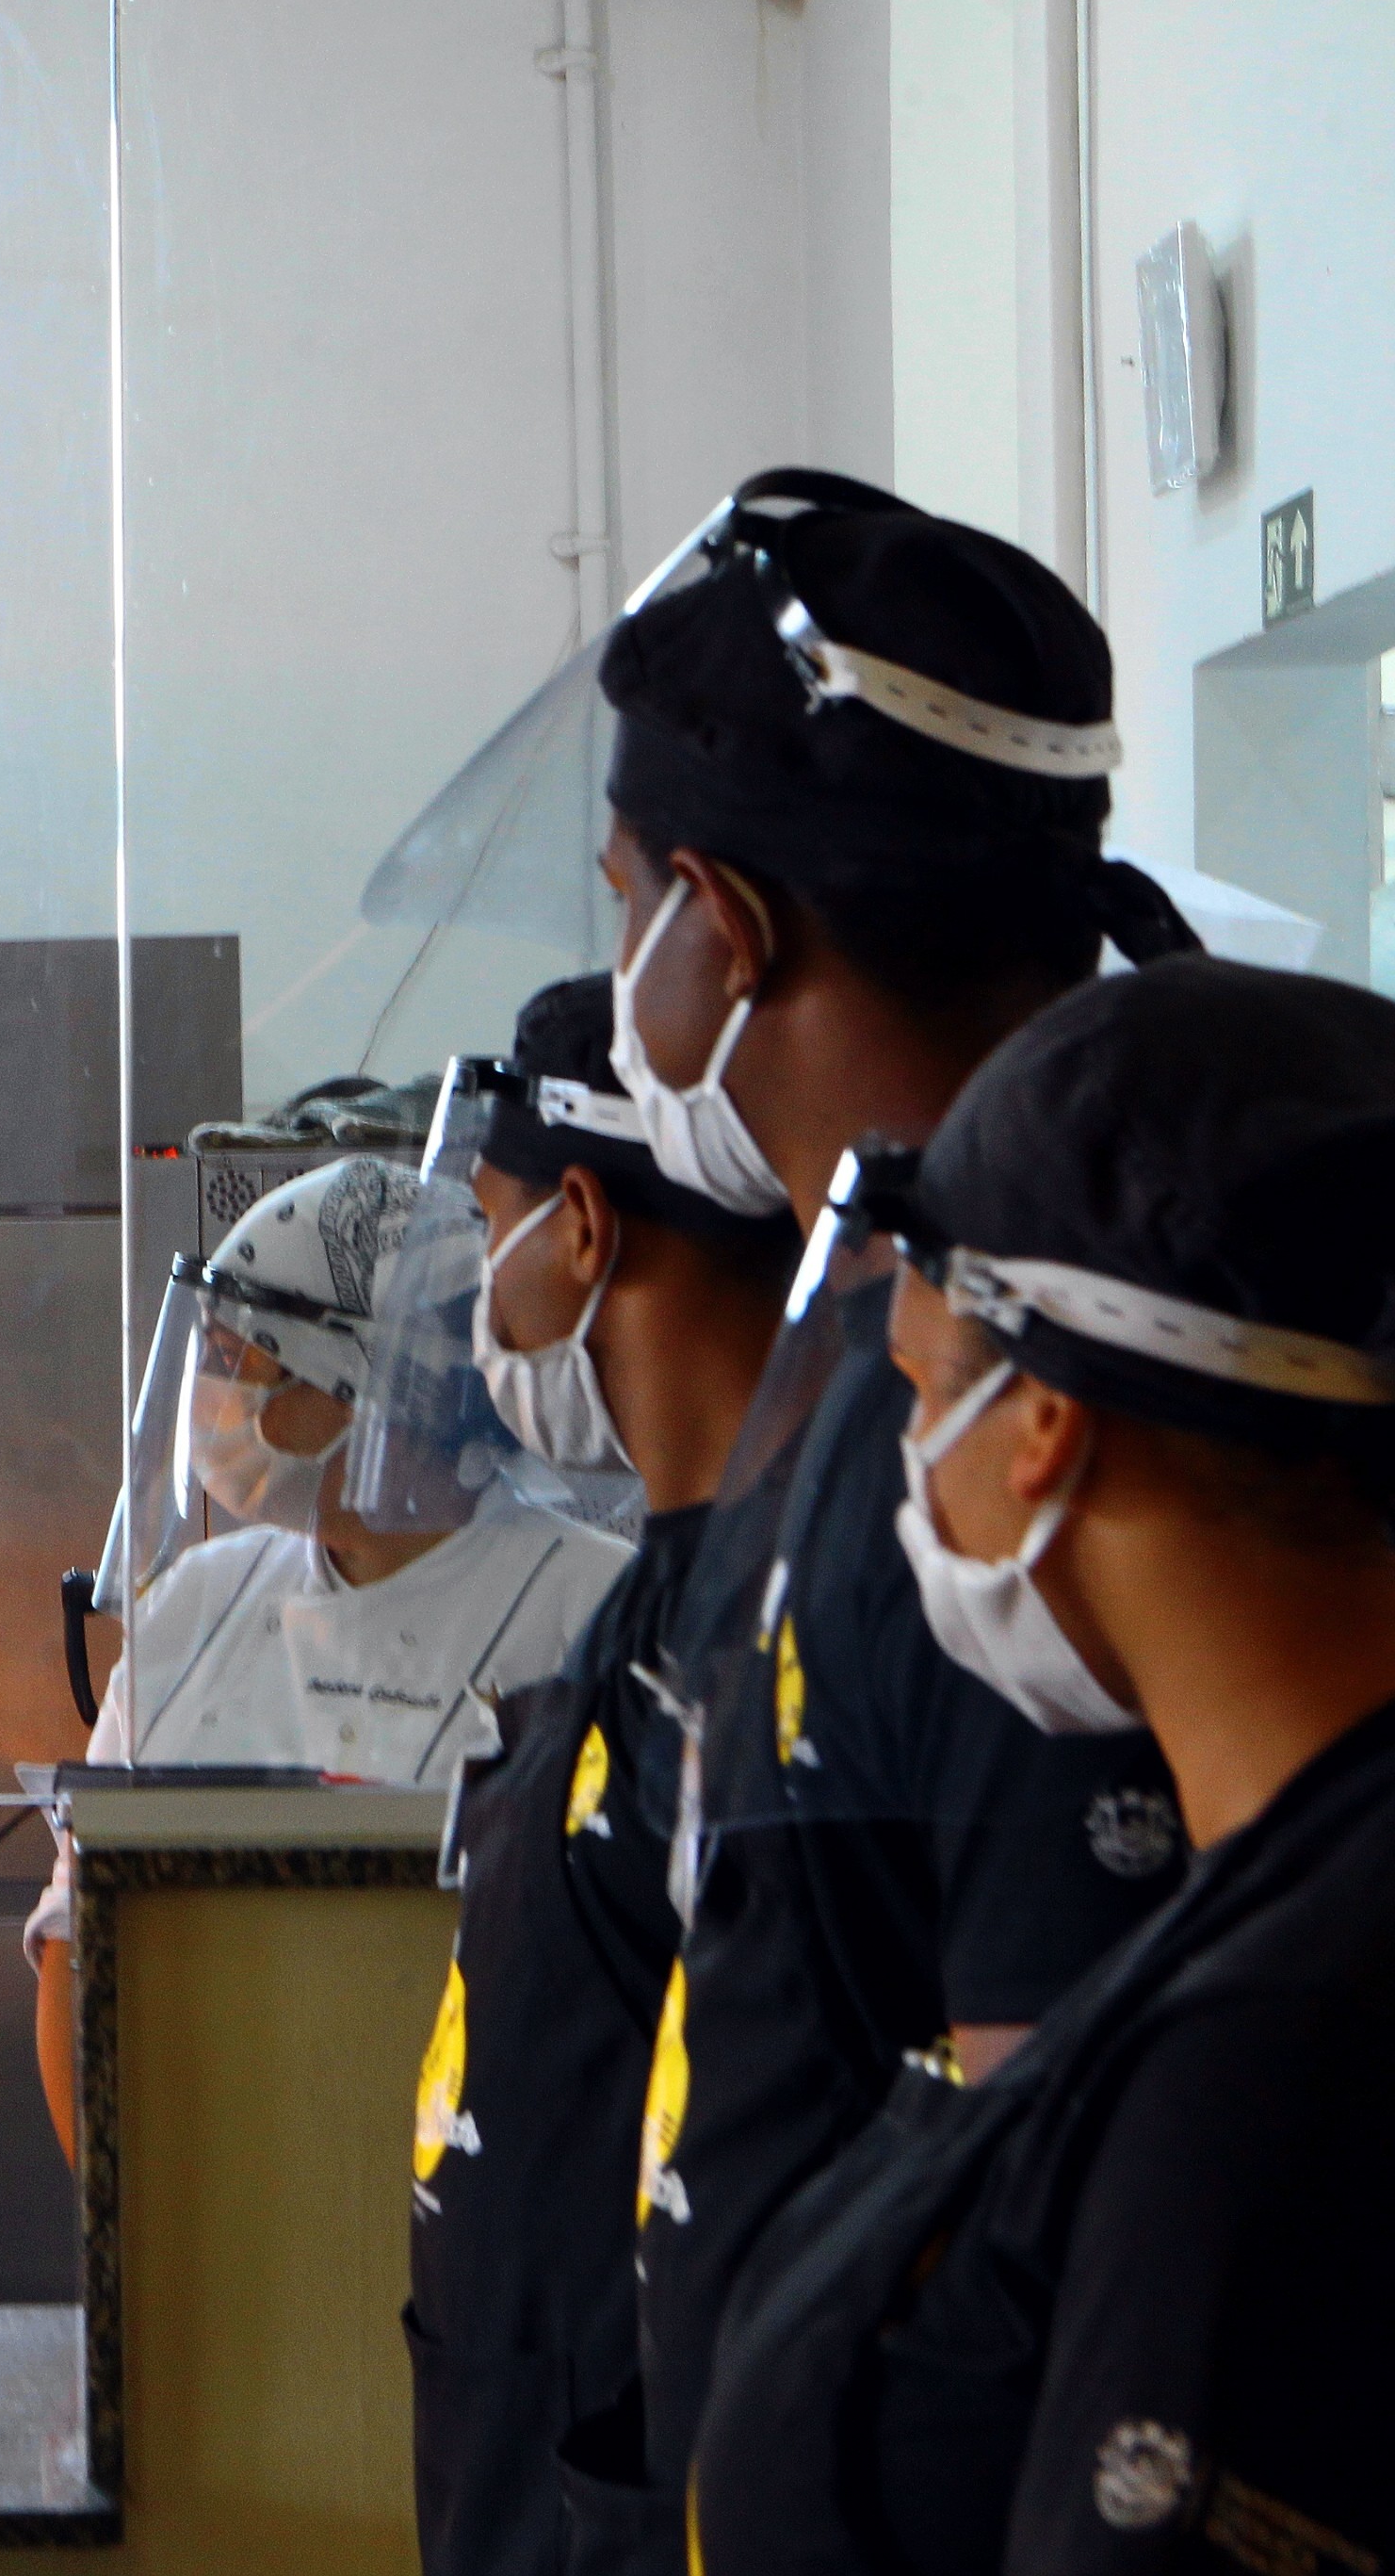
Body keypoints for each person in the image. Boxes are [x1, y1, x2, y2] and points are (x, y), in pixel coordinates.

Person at [592, 471, 1205, 2502]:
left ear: (725, 924)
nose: (620, 966)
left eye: (627, 899)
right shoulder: (865, 1335)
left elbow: (1073, 2171)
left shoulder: (1023, 1416)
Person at [688, 957, 1395, 2575]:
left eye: (924, 1395)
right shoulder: (1279, 1909)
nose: (910, 1466)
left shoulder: (1263, 2050)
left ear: (1046, 1427)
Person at [395, 977, 798, 2576]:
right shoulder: (656, 1586)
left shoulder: (768, 1635)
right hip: (520, 2460)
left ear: (580, 1223)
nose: (479, 1312)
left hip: (628, 2498)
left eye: (486, 1228)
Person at [31, 1150, 632, 2158]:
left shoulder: (594, 1612)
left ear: (372, 1383)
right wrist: (125, 2223)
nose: (211, 1398)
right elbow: (74, 1944)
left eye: (244, 1359)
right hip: (218, 2199)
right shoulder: (196, 1608)